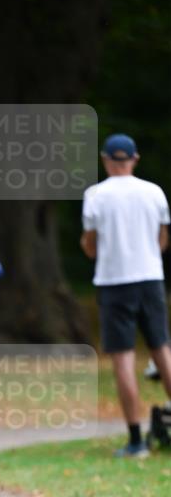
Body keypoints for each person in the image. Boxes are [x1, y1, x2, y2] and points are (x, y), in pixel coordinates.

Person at [81, 133, 171, 457]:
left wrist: (92, 248)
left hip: (113, 281)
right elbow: (162, 239)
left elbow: (91, 245)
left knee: (123, 359)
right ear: (134, 159)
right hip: (150, 277)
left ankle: (136, 440)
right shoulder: (154, 192)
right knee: (162, 350)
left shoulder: (96, 195)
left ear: (106, 159)